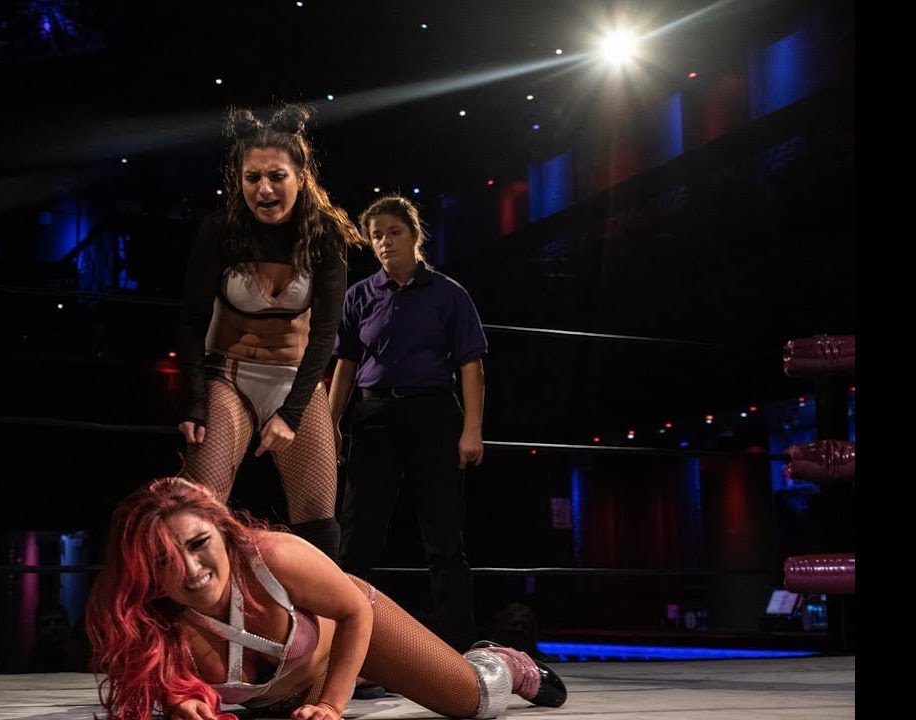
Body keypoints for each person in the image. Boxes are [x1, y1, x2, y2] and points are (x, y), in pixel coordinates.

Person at [85, 478, 566, 720]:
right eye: (165, 560)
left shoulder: (273, 556)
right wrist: (184, 702)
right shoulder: (151, 624)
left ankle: (504, 660)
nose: (191, 570)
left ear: (223, 530)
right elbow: (168, 692)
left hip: (352, 623)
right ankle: (372, 675)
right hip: (294, 691)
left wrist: (333, 708)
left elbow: (353, 611)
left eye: (198, 544)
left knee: (475, 699)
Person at [176, 104, 362, 561]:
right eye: (252, 177)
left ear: (301, 177)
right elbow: (191, 322)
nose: (264, 189)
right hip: (230, 375)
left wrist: (292, 414)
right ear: (238, 180)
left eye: (276, 176)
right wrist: (194, 400)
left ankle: (316, 608)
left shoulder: (325, 235)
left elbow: (325, 334)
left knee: (319, 521)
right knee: (200, 510)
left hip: (296, 377)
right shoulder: (219, 230)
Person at [328, 194, 488, 650]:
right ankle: (340, 644)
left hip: (433, 413)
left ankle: (457, 648)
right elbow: (345, 365)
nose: (384, 242)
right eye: (376, 235)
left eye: (394, 232)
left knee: (443, 533)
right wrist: (330, 424)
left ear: (415, 235)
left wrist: (472, 429)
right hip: (373, 415)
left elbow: (472, 364)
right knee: (358, 531)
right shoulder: (359, 295)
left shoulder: (449, 293)